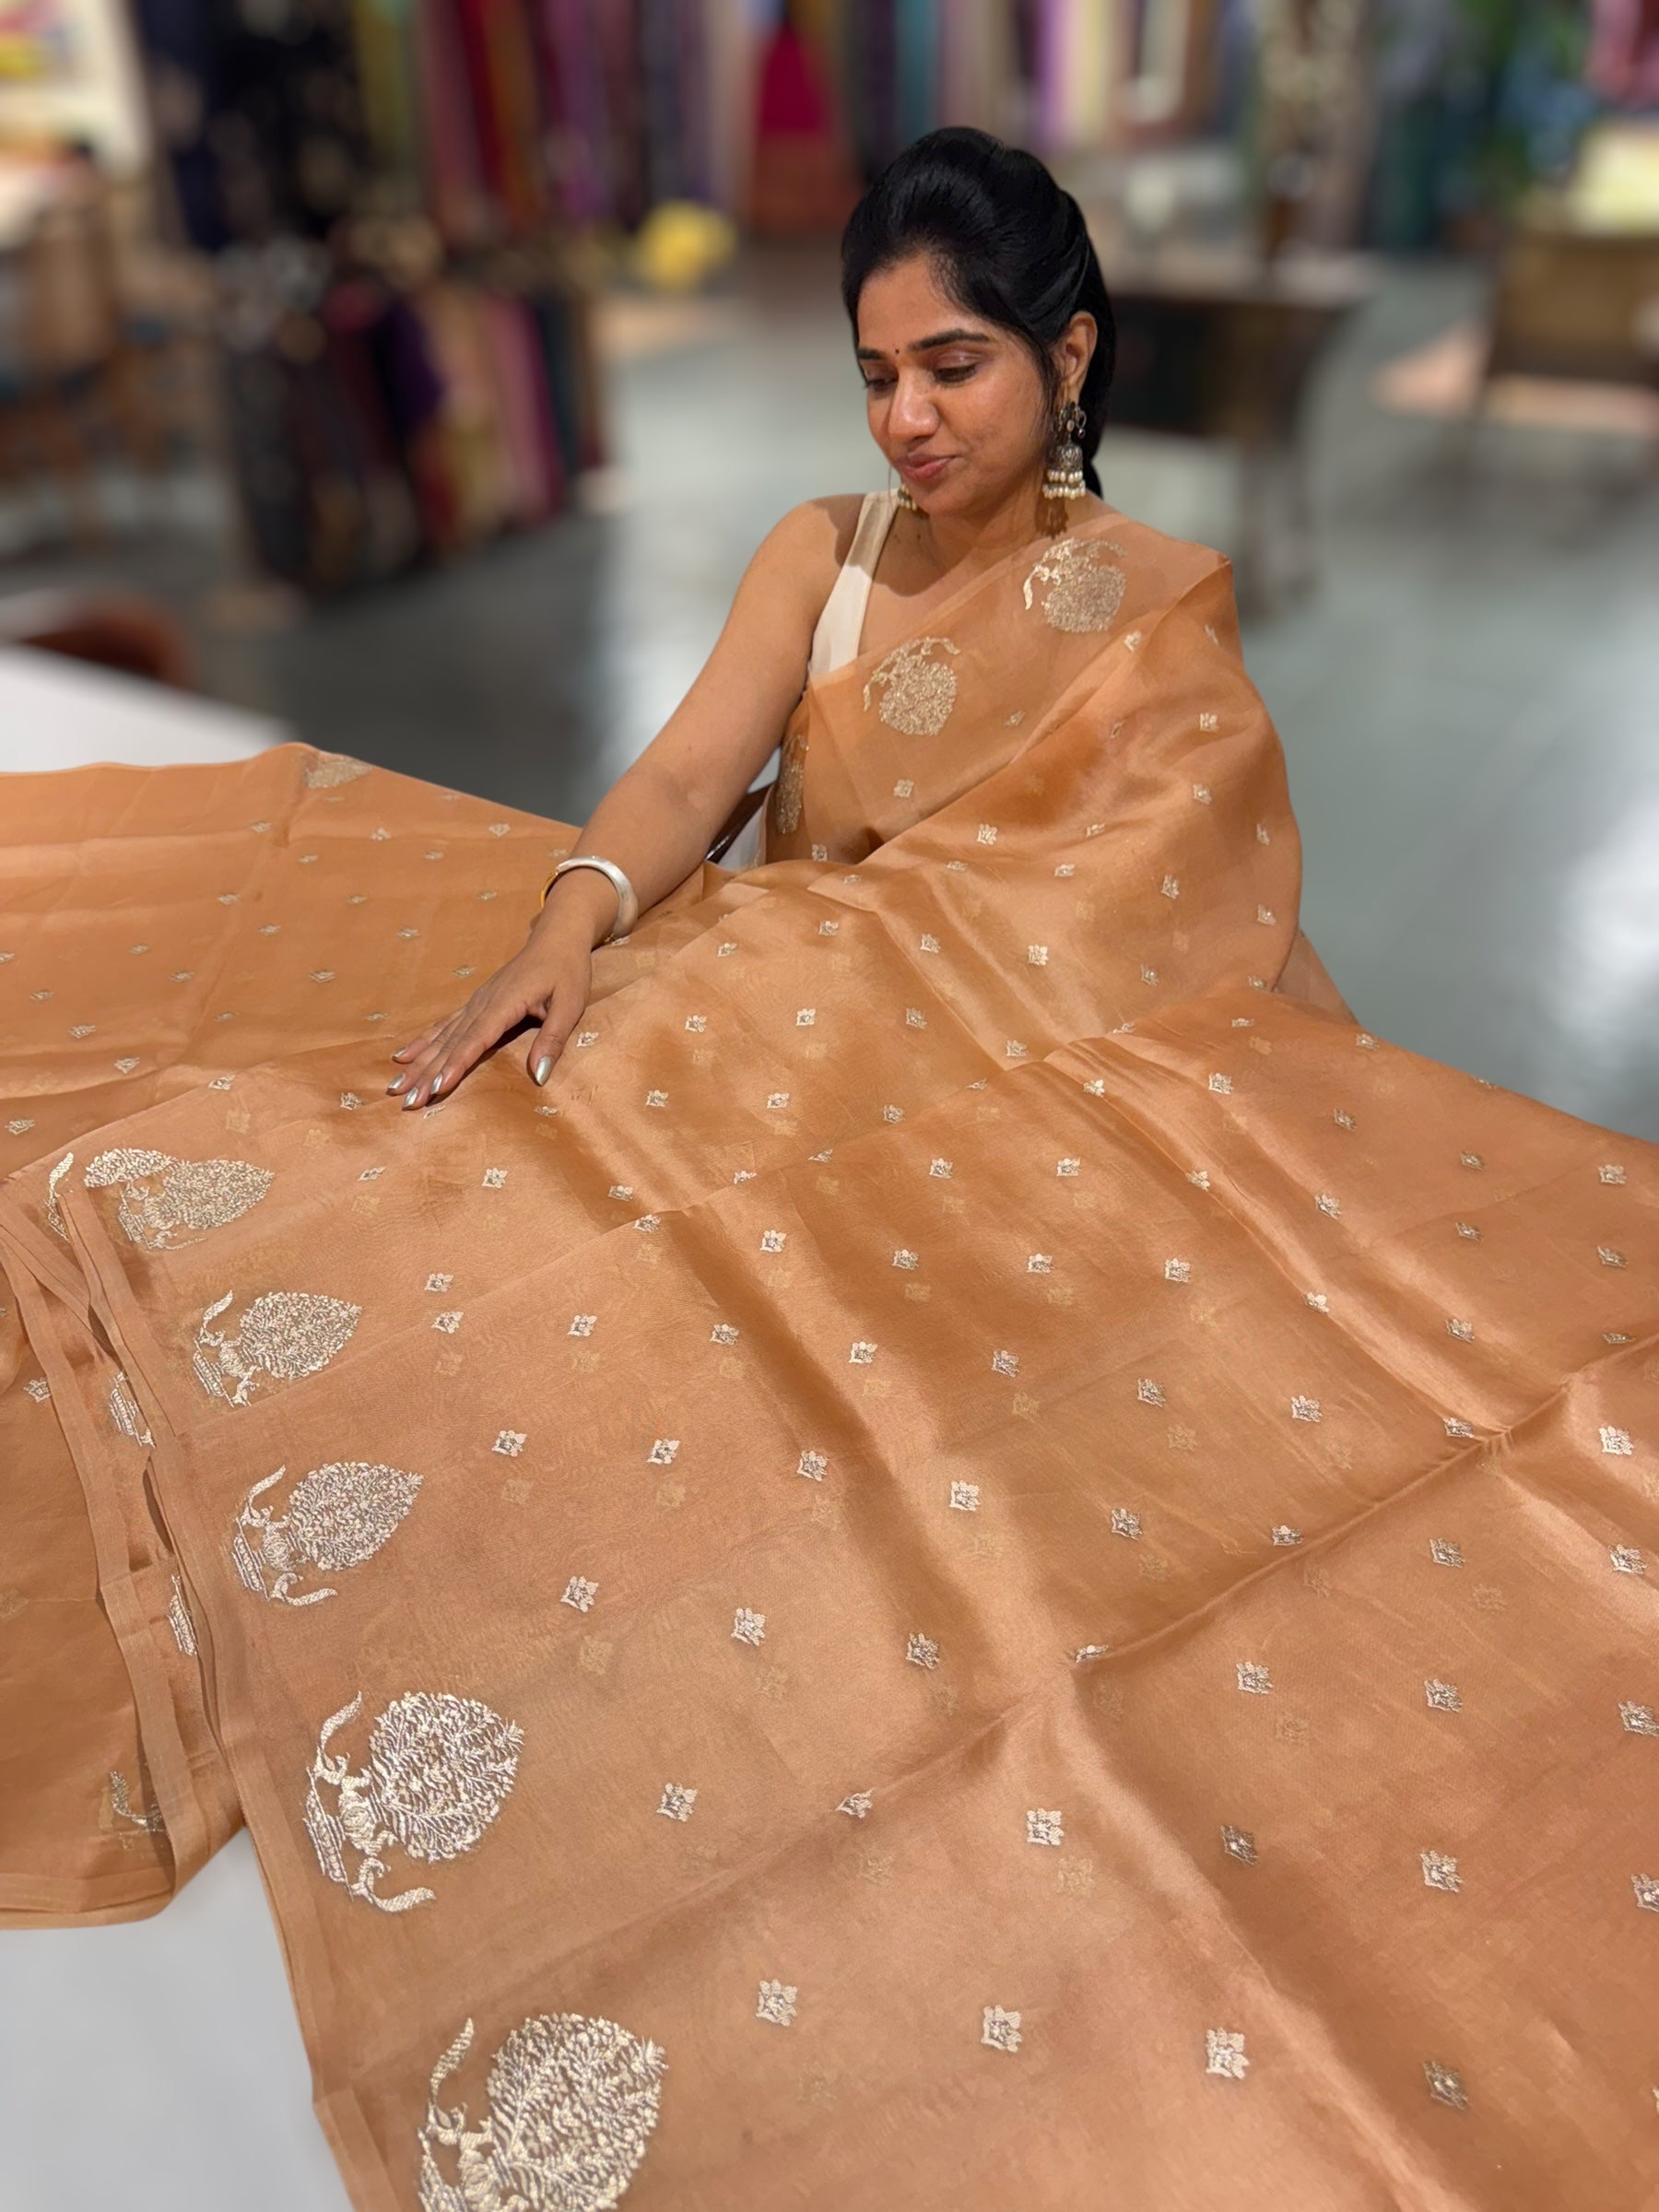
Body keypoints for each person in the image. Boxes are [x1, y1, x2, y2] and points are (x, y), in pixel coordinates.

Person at [0, 130, 1653, 2212]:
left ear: (1071, 354)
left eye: (955, 365)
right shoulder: (827, 550)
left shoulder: (1151, 617)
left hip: (1004, 1078)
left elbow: (1159, 917)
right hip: (787, 1035)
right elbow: (696, 769)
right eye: (877, 373)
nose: (908, 420)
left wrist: (909, 974)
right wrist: (572, 918)